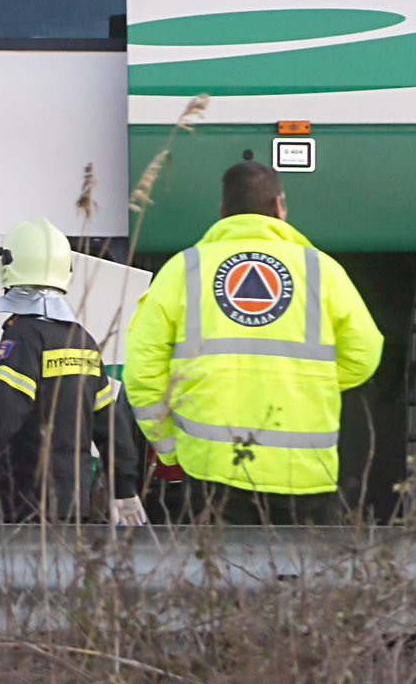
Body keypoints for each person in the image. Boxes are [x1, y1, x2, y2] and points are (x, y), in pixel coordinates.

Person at [123, 161, 382, 525]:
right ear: (279, 206)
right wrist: (305, 379)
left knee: (221, 579)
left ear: (222, 212)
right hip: (305, 472)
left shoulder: (183, 270)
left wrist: (170, 450)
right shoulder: (322, 270)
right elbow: (365, 355)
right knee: (303, 580)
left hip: (213, 469)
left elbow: (141, 373)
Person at [0, 217, 146, 524]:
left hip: (27, 501)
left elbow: (4, 409)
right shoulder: (83, 341)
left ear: (9, 264)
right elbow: (109, 422)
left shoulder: (23, 336)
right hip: (74, 504)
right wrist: (124, 487)